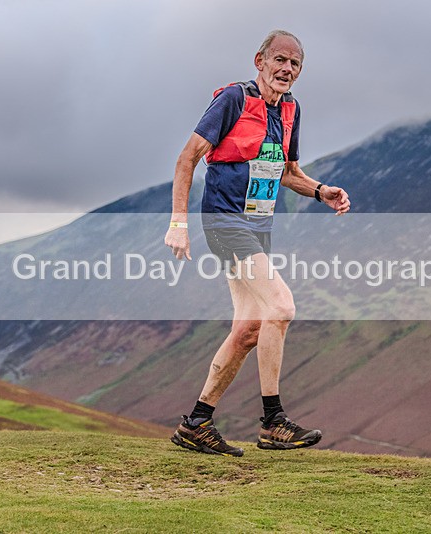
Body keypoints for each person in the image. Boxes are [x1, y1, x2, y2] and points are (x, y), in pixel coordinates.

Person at [164, 30, 350, 457]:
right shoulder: (232, 99)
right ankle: (272, 422)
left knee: (248, 330)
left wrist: (322, 191)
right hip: (226, 223)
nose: (287, 69)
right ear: (260, 61)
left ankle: (196, 423)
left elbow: (287, 172)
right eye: (280, 60)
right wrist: (178, 222)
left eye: (295, 64)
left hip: (259, 226)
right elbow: (186, 159)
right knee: (281, 306)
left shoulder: (290, 110)